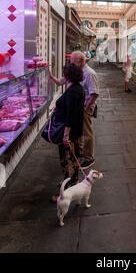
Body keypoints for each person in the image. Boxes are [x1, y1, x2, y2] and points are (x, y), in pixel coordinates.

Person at [50, 51, 99, 169]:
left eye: (73, 62)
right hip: (76, 106)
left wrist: (85, 108)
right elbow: (60, 82)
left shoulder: (90, 74)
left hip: (84, 107)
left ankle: (89, 157)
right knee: (78, 131)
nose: (71, 64)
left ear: (81, 61)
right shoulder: (73, 72)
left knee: (86, 132)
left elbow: (94, 94)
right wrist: (50, 75)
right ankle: (79, 154)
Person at [51, 64, 85, 202]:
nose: (63, 76)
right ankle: (74, 184)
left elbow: (70, 115)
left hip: (70, 133)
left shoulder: (72, 92)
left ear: (69, 76)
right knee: (74, 158)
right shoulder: (77, 88)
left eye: (65, 74)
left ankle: (65, 194)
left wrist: (65, 134)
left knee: (67, 161)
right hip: (76, 131)